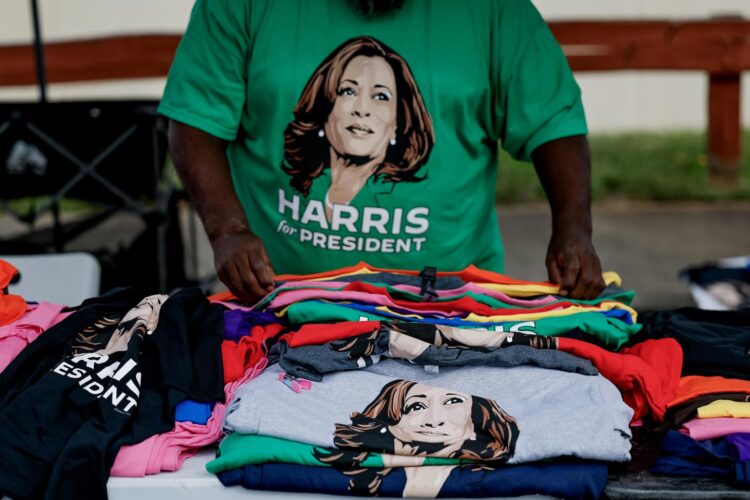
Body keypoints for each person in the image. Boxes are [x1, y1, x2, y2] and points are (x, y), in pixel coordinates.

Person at [161, 0, 606, 303]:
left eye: (381, 97)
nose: (361, 110)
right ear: (324, 105)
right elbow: (194, 120)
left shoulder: (493, 10)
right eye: (347, 91)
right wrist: (228, 231)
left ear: (400, 120)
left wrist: (573, 229)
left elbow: (553, 121)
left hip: (450, 309)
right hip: (281, 304)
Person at [314, 378, 518, 496]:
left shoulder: (513, 472)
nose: (434, 420)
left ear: (478, 418)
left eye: (453, 402)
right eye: (416, 406)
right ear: (390, 422)